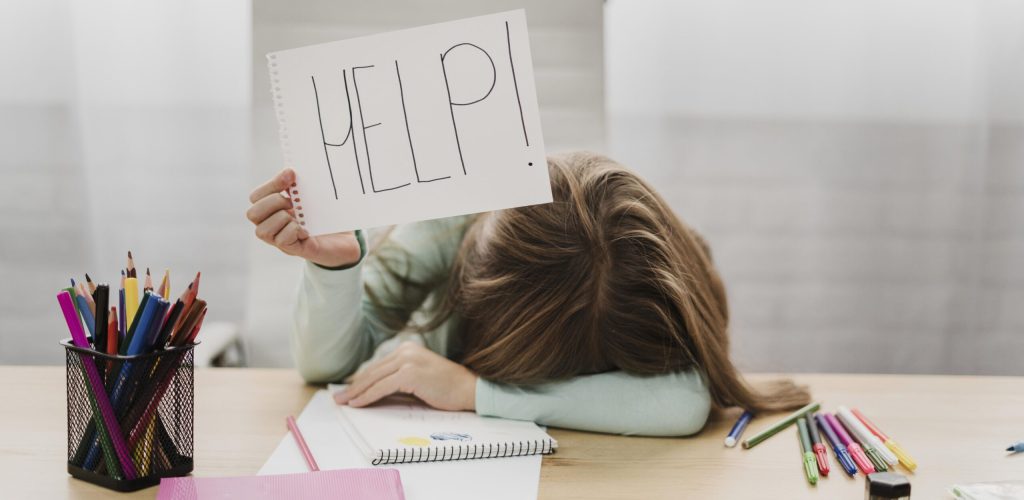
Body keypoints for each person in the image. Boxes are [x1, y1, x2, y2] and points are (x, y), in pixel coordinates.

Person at [246, 151, 810, 436]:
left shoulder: (640, 280)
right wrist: (337, 269)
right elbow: (325, 368)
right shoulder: (451, 228)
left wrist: (476, 394)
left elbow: (683, 403)